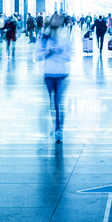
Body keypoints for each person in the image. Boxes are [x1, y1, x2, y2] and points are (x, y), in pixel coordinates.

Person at [36, 14, 71, 143]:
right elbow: (38, 55)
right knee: (52, 103)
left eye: (59, 19)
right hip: (49, 73)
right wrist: (48, 52)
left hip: (61, 74)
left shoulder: (64, 35)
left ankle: (58, 129)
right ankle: (55, 125)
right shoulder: (44, 37)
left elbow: (69, 55)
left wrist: (59, 52)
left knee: (58, 103)